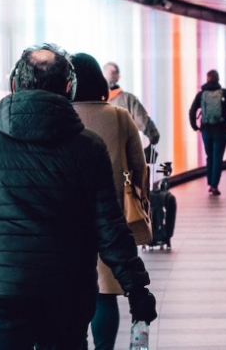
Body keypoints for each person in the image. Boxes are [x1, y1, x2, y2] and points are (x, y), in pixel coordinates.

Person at [0, 43, 157, 349]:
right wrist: (137, 290)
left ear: (15, 83)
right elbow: (110, 228)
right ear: (68, 88)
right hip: (65, 293)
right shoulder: (89, 146)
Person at [73, 54, 148, 350]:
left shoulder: (58, 116)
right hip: (111, 216)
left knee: (71, 291)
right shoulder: (118, 116)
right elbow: (139, 168)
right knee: (105, 292)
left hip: (64, 217)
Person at [188, 69, 226, 195]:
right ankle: (214, 185)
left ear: (207, 79)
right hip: (220, 129)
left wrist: (195, 126)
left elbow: (192, 110)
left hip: (206, 129)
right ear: (218, 79)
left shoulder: (201, 94)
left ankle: (210, 183)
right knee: (217, 158)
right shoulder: (225, 93)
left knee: (209, 156)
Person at [102, 62, 160, 149]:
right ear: (118, 77)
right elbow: (143, 122)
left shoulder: (94, 102)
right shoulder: (128, 99)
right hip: (122, 154)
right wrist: (153, 137)